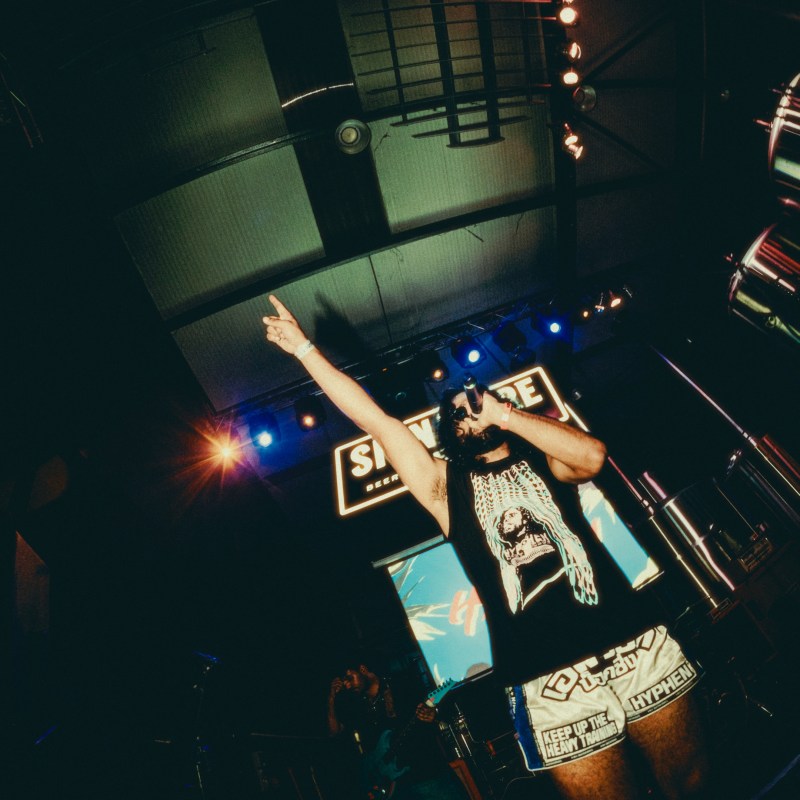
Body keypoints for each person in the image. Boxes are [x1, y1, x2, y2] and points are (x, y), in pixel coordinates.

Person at [263, 296, 709, 800]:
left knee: (692, 785)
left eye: (472, 406)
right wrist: (303, 349)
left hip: (635, 641)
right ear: (448, 434)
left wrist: (507, 414)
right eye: (455, 414)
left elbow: (593, 455)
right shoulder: (443, 487)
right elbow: (376, 421)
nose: (465, 414)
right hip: (548, 680)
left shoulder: (545, 460)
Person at [326, 662, 468, 800]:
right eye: (344, 683)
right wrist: (332, 698)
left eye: (349, 678)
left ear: (362, 669)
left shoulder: (399, 685)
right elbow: (335, 731)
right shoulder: (358, 706)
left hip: (427, 773)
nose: (348, 685)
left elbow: (438, 712)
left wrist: (433, 714)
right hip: (396, 786)